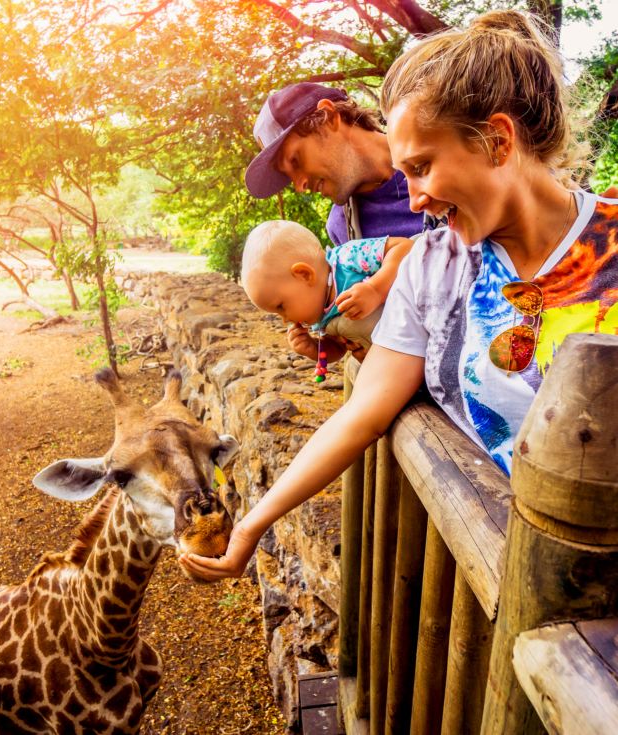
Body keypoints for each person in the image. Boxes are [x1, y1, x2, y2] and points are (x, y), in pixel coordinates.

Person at [180, 9, 618, 582]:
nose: (412, 202)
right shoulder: (431, 268)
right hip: (517, 582)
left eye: (421, 167)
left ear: (497, 140)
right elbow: (361, 414)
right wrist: (252, 524)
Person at [245, 82, 428, 364]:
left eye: (296, 159)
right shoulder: (342, 227)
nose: (300, 185)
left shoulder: (436, 153)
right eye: (289, 178)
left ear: (329, 118)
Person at [241, 220, 413, 353]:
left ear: (304, 275)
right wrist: (315, 348)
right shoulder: (321, 315)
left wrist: (376, 289)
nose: (285, 320)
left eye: (281, 307)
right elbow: (339, 350)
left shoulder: (348, 258)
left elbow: (405, 247)